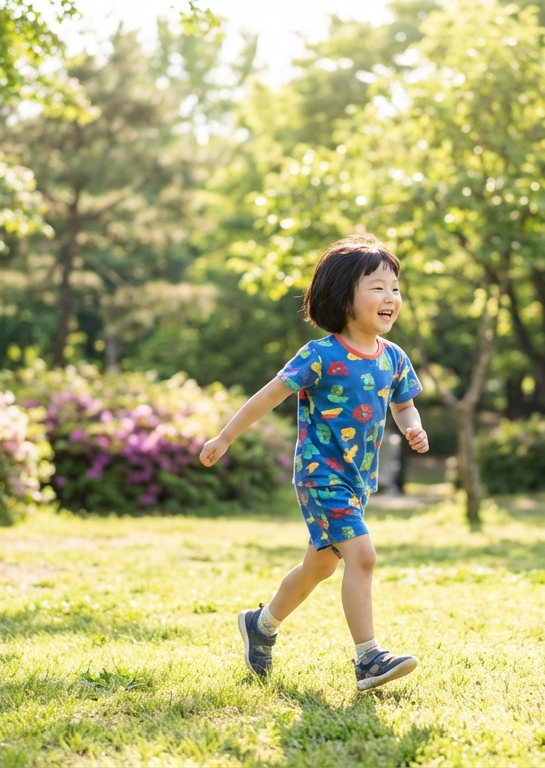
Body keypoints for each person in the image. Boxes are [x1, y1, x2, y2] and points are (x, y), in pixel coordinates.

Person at [199, 234, 428, 692]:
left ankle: (261, 625)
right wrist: (225, 436)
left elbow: (403, 403)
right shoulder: (320, 355)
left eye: (395, 288)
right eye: (378, 287)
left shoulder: (394, 357)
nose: (390, 297)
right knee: (362, 556)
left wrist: (412, 426)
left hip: (356, 480)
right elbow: (269, 395)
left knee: (320, 567)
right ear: (344, 297)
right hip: (320, 475)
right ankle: (368, 659)